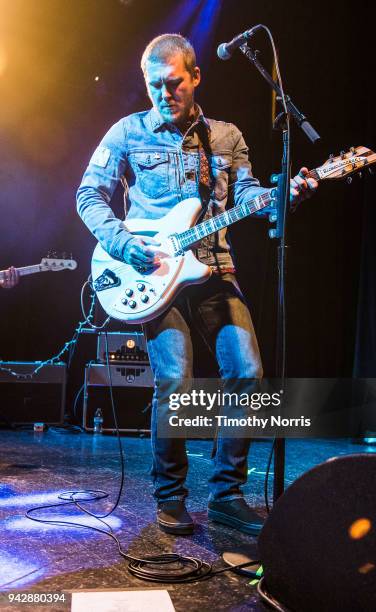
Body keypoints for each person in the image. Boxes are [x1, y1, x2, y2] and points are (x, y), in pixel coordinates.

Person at [77, 34, 318, 535]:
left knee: (249, 375)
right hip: (153, 276)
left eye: (174, 84)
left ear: (196, 77)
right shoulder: (126, 132)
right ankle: (170, 496)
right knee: (175, 382)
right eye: (153, 86)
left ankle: (227, 495)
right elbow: (88, 195)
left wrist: (283, 196)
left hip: (215, 269)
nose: (164, 94)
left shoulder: (226, 136)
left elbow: (250, 193)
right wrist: (124, 245)